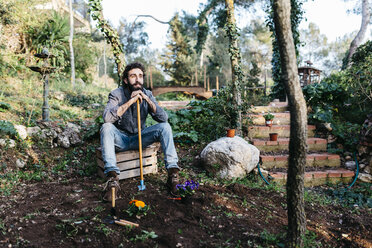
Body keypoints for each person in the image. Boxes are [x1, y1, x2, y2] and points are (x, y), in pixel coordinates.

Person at [100, 62, 180, 201]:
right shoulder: (116, 94)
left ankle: (173, 175)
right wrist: (131, 101)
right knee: (106, 127)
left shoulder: (147, 93)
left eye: (140, 76)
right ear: (126, 80)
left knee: (165, 127)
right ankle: (113, 181)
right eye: (133, 76)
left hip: (140, 138)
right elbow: (107, 118)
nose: (137, 79)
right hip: (121, 139)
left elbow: (163, 118)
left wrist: (147, 100)